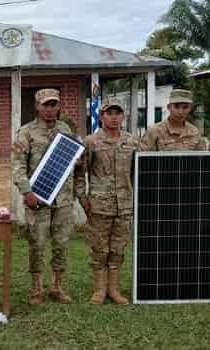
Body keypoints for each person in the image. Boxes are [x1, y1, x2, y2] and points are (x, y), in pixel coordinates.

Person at [12, 88, 75, 305]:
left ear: (58, 106)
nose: (50, 109)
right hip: (37, 199)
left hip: (64, 199)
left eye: (53, 105)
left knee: (61, 243)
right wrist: (27, 192)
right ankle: (36, 288)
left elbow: (72, 161)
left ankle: (57, 286)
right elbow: (17, 165)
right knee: (37, 244)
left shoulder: (65, 129)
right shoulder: (26, 132)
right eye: (45, 105)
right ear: (37, 106)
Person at [76, 97, 140, 305]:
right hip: (99, 206)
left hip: (124, 206)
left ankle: (114, 289)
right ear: (101, 116)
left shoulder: (132, 142)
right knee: (99, 249)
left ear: (123, 116)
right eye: (109, 113)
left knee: (118, 249)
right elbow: (80, 173)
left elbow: (137, 173)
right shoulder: (91, 142)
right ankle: (100, 290)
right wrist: (84, 200)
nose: (114, 117)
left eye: (117, 113)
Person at [140, 89, 207, 151]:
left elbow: (200, 159)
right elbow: (143, 158)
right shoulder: (154, 131)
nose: (180, 112)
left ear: (190, 109)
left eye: (185, 107)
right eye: (176, 106)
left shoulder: (194, 132)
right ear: (169, 107)